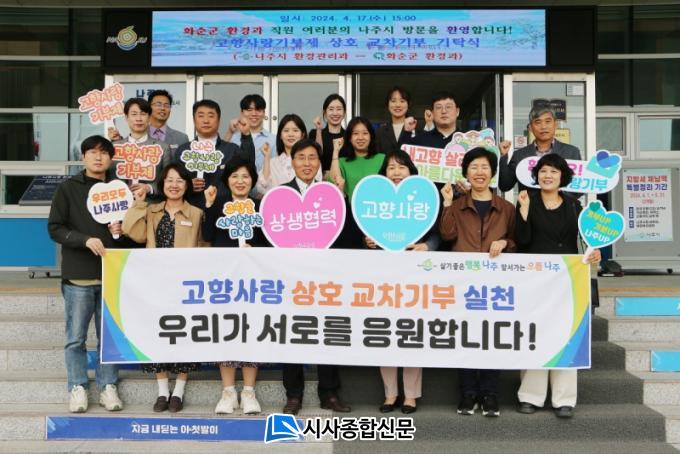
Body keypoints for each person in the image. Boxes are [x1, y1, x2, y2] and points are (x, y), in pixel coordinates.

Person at [515, 153, 600, 419]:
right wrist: (523, 212)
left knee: (567, 334)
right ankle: (530, 396)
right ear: (536, 175)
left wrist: (595, 252)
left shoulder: (575, 206)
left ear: (563, 176)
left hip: (567, 280)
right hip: (535, 280)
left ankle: (564, 399)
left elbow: (587, 239)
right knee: (535, 335)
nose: (547, 176)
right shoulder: (527, 200)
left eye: (553, 171)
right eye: (543, 171)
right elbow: (521, 240)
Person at [47, 135, 127, 413]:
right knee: (75, 338)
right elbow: (55, 228)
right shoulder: (68, 188)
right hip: (78, 276)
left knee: (109, 339)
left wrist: (120, 232)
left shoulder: (120, 189)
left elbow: (131, 235)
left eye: (103, 153)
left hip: (111, 275)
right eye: (92, 152)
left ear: (111, 159)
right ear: (83, 157)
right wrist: (84, 240)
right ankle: (77, 387)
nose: (98, 157)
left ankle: (108, 386)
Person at [439, 147, 517, 418]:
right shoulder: (457, 206)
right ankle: (468, 393)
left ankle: (490, 394)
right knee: (465, 337)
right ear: (466, 173)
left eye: (484, 167)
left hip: (496, 285)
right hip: (463, 283)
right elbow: (447, 235)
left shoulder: (506, 208)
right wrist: (447, 204)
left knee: (491, 338)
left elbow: (517, 242)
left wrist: (505, 243)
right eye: (474, 167)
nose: (479, 172)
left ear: (493, 172)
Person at [122, 163, 205, 413]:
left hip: (185, 285)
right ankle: (162, 391)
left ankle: (178, 390)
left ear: (187, 185)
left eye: (179, 180)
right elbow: (131, 231)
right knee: (158, 334)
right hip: (155, 283)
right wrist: (138, 203)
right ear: (162, 184)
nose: (174, 185)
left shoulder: (196, 214)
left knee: (184, 336)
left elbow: (205, 248)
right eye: (169, 180)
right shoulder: (152, 211)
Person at [365, 150, 440, 415]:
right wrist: (368, 241)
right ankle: (390, 394)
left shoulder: (425, 199)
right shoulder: (375, 201)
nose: (396, 172)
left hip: (415, 276)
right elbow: (365, 232)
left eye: (401, 167)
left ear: (411, 171)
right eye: (391, 168)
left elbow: (438, 234)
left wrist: (427, 246)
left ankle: (410, 395)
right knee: (385, 333)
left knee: (411, 334)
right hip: (383, 277)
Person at [281, 138, 351, 415]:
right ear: (292, 162)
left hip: (326, 278)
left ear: (319, 163)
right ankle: (293, 395)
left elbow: (345, 234)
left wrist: (342, 198)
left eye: (312, 158)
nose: (307, 163)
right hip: (292, 279)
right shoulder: (280, 195)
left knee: (327, 333)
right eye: (301, 158)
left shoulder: (331, 193)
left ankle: (329, 393)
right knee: (292, 334)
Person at [202, 156, 267, 414]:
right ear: (227, 180)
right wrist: (209, 206)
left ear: (253, 180)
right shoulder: (218, 204)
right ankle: (228, 392)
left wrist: (255, 249)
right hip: (225, 281)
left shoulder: (261, 207)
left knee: (251, 331)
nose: (240, 181)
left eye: (245, 176)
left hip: (254, 281)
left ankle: (249, 392)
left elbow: (270, 243)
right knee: (226, 331)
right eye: (235, 176)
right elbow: (207, 236)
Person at [173, 100, 255, 209]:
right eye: (201, 116)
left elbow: (249, 169)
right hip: (190, 211)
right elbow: (172, 182)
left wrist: (246, 135)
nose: (206, 120)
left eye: (211, 116)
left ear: (219, 120)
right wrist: (186, 185)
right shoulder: (183, 151)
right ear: (193, 120)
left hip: (224, 211)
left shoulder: (231, 150)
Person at [498, 107, 582, 193]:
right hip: (528, 202)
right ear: (530, 127)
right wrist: (503, 156)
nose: (543, 126)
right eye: (538, 122)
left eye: (548, 121)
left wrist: (556, 199)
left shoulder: (572, 152)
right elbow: (505, 186)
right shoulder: (520, 155)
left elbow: (579, 189)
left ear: (555, 124)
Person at [110, 97, 171, 201]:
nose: (138, 119)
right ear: (126, 117)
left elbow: (169, 180)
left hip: (152, 206)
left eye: (143, 114)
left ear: (149, 117)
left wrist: (149, 188)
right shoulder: (114, 147)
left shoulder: (162, 147)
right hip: (120, 205)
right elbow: (107, 178)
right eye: (134, 114)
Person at [255, 114, 322, 197]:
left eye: (295, 130)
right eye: (286, 131)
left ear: (302, 134)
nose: (290, 134)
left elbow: (316, 185)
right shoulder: (272, 163)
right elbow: (262, 189)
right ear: (280, 135)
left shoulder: (311, 161)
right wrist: (266, 157)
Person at [108, 90, 189, 153]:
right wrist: (117, 141)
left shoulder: (182, 138)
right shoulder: (138, 132)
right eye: (158, 104)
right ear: (149, 107)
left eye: (167, 105)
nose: (162, 108)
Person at [330, 116, 385, 200]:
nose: (360, 138)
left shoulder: (382, 159)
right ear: (349, 138)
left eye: (365, 133)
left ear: (371, 136)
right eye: (355, 133)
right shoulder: (342, 162)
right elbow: (333, 183)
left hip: (377, 206)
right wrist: (335, 151)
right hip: (350, 207)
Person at [225, 94, 276, 173]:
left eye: (258, 110)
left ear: (264, 113)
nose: (254, 114)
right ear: (242, 112)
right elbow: (220, 157)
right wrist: (230, 132)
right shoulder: (233, 137)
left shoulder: (274, 140)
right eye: (249, 110)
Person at [374, 86, 432, 155]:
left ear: (408, 105)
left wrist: (430, 124)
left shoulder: (419, 127)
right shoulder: (380, 132)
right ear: (388, 105)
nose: (398, 105)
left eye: (402, 101)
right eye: (393, 101)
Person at [310, 94, 346, 175]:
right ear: (325, 113)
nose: (335, 113)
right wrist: (318, 130)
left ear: (344, 113)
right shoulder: (315, 133)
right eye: (331, 109)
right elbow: (316, 155)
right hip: (320, 180)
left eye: (339, 109)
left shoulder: (349, 136)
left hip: (344, 180)